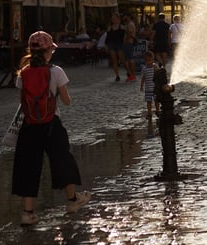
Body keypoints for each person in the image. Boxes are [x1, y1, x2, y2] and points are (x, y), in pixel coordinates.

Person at [11, 31, 90, 225]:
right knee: (62, 160)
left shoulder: (23, 74)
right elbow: (66, 100)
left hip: (29, 126)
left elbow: (23, 100)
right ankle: (72, 201)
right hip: (51, 123)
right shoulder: (56, 72)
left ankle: (27, 213)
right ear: (48, 51)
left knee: (28, 166)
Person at [105, 13, 126, 82]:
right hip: (111, 44)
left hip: (119, 44)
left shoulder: (122, 27)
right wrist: (106, 46)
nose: (113, 20)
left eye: (114, 18)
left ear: (118, 19)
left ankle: (128, 71)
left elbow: (124, 37)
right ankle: (117, 75)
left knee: (122, 59)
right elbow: (107, 38)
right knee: (114, 60)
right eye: (112, 19)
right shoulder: (110, 28)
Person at [139, 50, 157, 124]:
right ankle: (149, 113)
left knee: (157, 100)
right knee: (148, 101)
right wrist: (141, 86)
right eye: (147, 61)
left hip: (155, 88)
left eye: (150, 60)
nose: (149, 62)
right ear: (145, 61)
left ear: (153, 59)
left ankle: (157, 110)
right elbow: (143, 78)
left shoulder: (155, 67)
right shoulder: (144, 68)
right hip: (148, 89)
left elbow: (158, 75)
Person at [122, 14, 138, 82]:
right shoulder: (128, 24)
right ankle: (131, 75)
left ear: (128, 17)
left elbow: (130, 34)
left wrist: (125, 41)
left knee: (130, 59)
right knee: (127, 59)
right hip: (128, 43)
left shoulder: (130, 24)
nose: (123, 17)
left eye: (125, 16)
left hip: (129, 43)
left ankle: (133, 75)